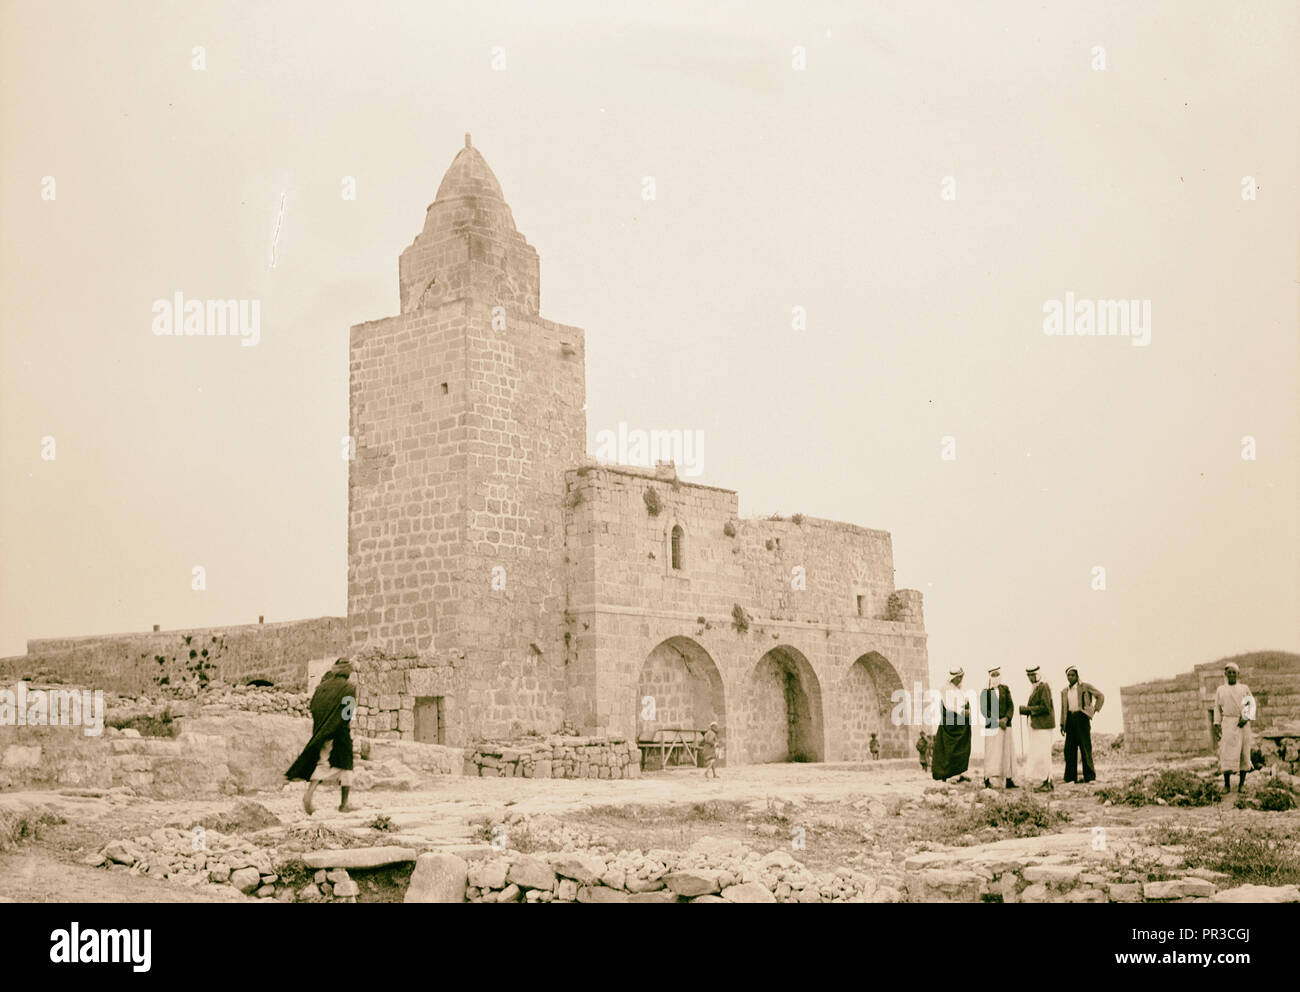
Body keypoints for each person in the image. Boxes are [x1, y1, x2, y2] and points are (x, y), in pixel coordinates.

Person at [286, 658, 358, 814]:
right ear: (347, 672)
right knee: (346, 765)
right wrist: (343, 728)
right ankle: (344, 804)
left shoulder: (321, 688)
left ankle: (309, 794)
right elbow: (348, 715)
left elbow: (313, 707)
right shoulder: (349, 688)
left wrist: (323, 726)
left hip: (322, 732)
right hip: (340, 732)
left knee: (322, 763)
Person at [1213, 662, 1255, 793]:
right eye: (1229, 672)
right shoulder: (1221, 689)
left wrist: (1246, 717)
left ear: (1238, 674)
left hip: (1242, 724)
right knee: (1226, 753)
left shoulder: (1244, 688)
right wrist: (1216, 724)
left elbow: (1251, 704)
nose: (1231, 675)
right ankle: (1227, 785)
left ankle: (1242, 784)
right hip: (1228, 724)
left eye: (1234, 672)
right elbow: (1217, 708)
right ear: (1225, 674)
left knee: (1244, 753)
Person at [1059, 666, 1104, 784]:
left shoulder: (1085, 687)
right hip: (1070, 720)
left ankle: (1089, 777)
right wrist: (1062, 724)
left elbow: (1100, 695)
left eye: (1072, 675)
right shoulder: (1065, 691)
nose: (1070, 678)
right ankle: (1070, 778)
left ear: (1077, 676)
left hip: (1082, 718)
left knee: (1085, 747)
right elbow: (1063, 708)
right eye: (1068, 675)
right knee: (1069, 749)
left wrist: (1094, 709)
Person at [930, 668, 972, 783]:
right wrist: (963, 712)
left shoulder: (962, 689)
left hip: (962, 724)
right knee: (950, 750)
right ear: (953, 678)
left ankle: (961, 773)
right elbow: (949, 706)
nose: (960, 679)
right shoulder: (945, 689)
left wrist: (967, 710)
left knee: (962, 748)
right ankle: (948, 775)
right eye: (958, 677)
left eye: (961, 677)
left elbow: (966, 702)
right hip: (951, 724)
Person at [1018, 666, 1055, 792]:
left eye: (1032, 675)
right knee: (1038, 753)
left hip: (1043, 726)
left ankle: (1047, 782)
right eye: (1028, 675)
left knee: (1043, 754)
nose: (1030, 678)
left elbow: (1045, 707)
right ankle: (1045, 781)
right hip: (1037, 726)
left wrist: (1027, 710)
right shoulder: (1035, 688)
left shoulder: (1044, 686)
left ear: (1038, 674)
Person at [980, 666, 1017, 789]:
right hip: (992, 727)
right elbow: (985, 710)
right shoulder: (985, 692)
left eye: (997, 674)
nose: (995, 677)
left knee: (1007, 752)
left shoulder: (1005, 689)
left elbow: (1011, 706)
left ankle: (1009, 779)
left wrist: (1006, 719)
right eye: (993, 675)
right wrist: (997, 721)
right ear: (990, 676)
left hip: (1006, 725)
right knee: (991, 753)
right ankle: (988, 779)